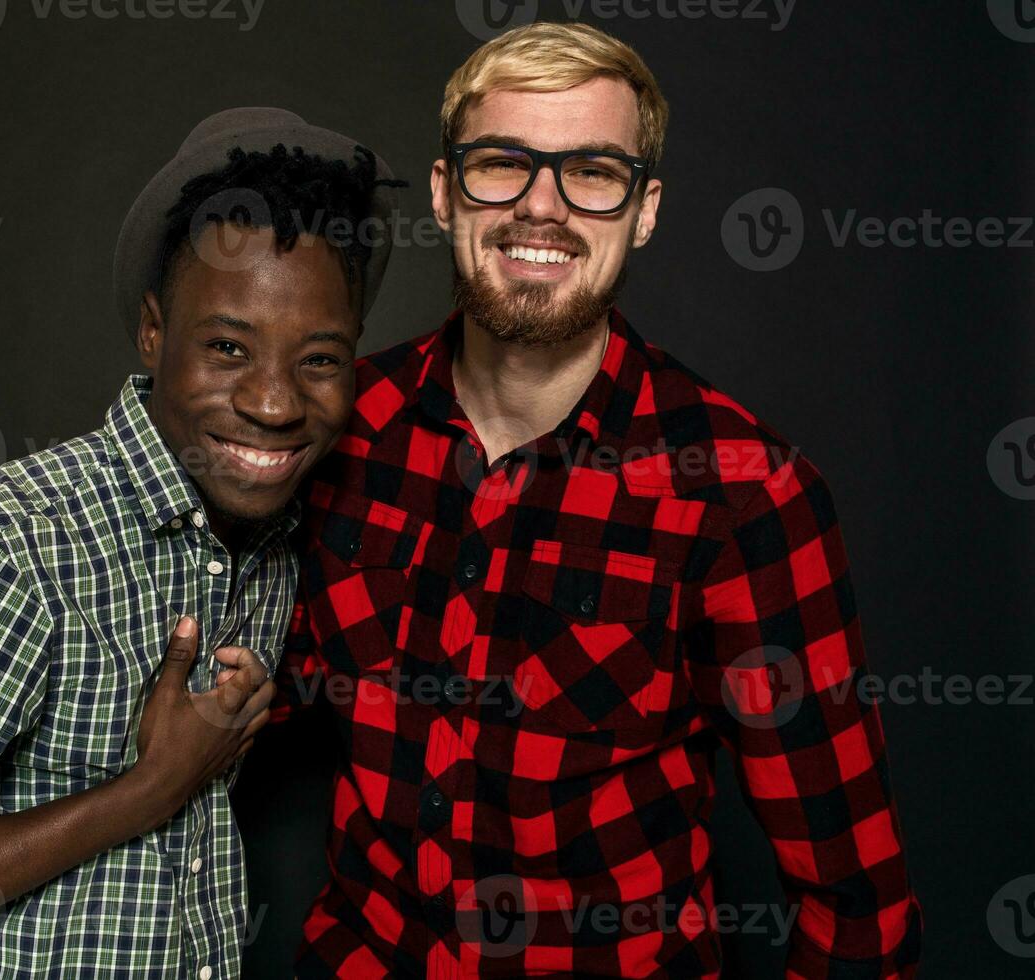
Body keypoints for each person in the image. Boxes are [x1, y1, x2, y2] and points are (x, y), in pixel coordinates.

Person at [230, 23, 923, 978]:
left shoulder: (744, 490)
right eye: (502, 165)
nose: (541, 208)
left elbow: (854, 900)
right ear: (444, 193)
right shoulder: (340, 421)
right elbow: (225, 694)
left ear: (643, 210)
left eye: (593, 171)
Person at [0, 106, 401, 979]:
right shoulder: (9, 551)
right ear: (151, 332)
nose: (276, 404)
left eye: (320, 360)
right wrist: (152, 788)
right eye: (227, 347)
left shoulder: (272, 537)